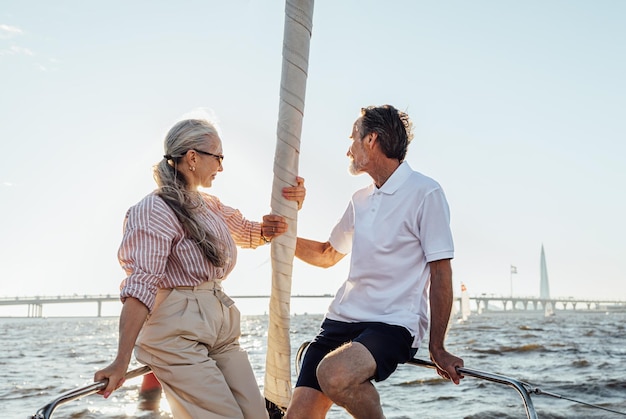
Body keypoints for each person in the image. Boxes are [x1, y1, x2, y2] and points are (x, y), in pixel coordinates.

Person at [94, 118, 306, 419]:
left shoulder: (209, 205)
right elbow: (141, 286)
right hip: (177, 331)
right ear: (192, 158)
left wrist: (290, 207)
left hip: (219, 326)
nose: (221, 167)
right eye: (218, 157)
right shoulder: (153, 209)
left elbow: (250, 232)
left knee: (257, 414)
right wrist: (121, 361)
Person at [284, 105, 464, 419]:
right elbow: (328, 254)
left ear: (371, 140)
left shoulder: (425, 193)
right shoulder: (360, 200)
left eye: (352, 138)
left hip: (393, 324)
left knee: (334, 374)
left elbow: (440, 273)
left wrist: (437, 346)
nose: (347, 150)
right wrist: (277, 236)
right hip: (341, 321)